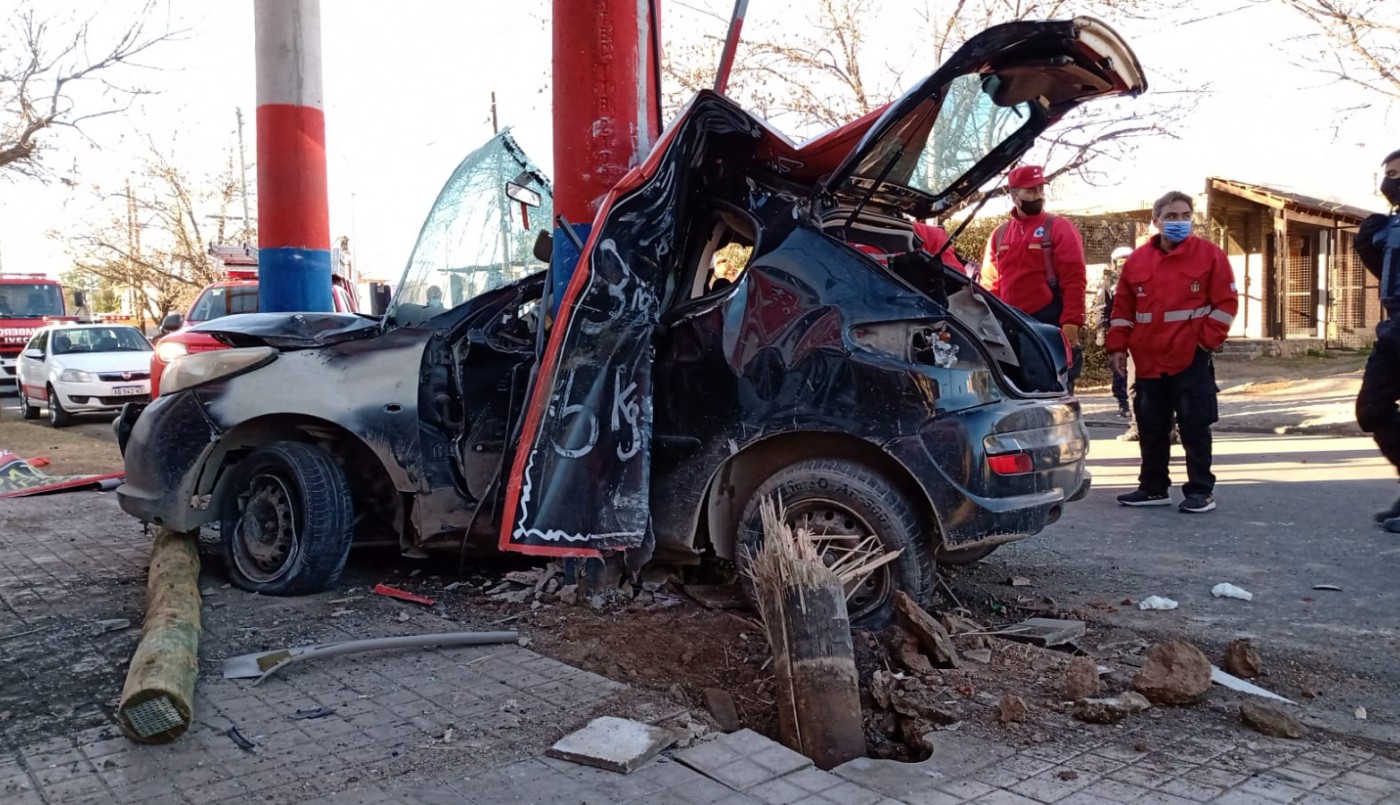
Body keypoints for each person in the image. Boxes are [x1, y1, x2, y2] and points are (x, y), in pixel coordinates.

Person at [1107, 190, 1237, 514]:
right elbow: (1122, 309)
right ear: (1156, 221)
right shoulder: (1137, 261)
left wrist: (1205, 341)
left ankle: (1200, 491)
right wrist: (1117, 347)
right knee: (1151, 424)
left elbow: (1226, 304)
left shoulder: (1210, 256)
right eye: (1172, 216)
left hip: (1189, 355)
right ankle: (1153, 488)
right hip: (1148, 356)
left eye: (1185, 216)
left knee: (1194, 424)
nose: (1179, 222)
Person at [979, 165, 1088, 392]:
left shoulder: (1059, 228)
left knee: (1050, 393)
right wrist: (989, 326)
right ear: (1014, 195)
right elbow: (990, 286)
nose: (1038, 195)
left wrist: (1070, 326)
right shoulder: (999, 235)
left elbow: (1074, 280)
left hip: (1047, 324)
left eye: (1040, 189)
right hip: (1008, 325)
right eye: (1031, 191)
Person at [1353, 147, 1400, 531]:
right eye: (1390, 174)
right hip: (1396, 329)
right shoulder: (1388, 226)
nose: (1392, 181)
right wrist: (1369, 243)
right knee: (1372, 409)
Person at [1096, 246, 1134, 418]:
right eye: (1120, 261)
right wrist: (1101, 331)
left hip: (1139, 331)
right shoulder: (1108, 283)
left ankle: (1138, 405)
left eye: (1127, 260)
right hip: (1118, 330)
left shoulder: (1141, 277)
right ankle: (1123, 402)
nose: (1124, 264)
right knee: (1120, 369)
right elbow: (1101, 308)